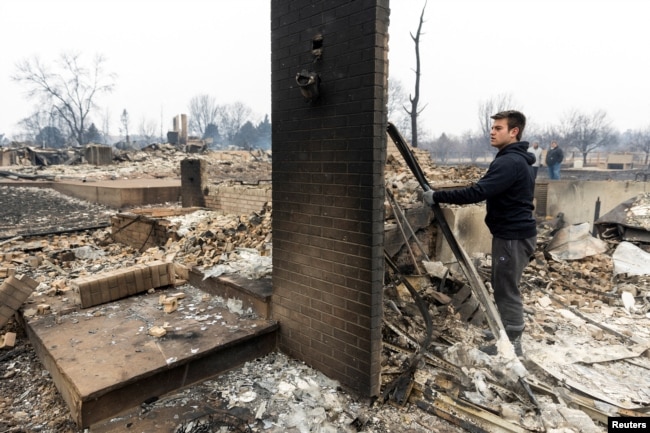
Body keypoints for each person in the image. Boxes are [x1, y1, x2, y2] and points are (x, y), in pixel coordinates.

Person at [423, 110, 536, 357]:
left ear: (514, 131)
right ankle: (503, 332)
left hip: (513, 236)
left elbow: (477, 192)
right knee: (502, 283)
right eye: (492, 128)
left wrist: (437, 196)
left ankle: (512, 344)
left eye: (498, 128)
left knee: (506, 288)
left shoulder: (510, 162)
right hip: (512, 234)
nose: (492, 132)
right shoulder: (516, 160)